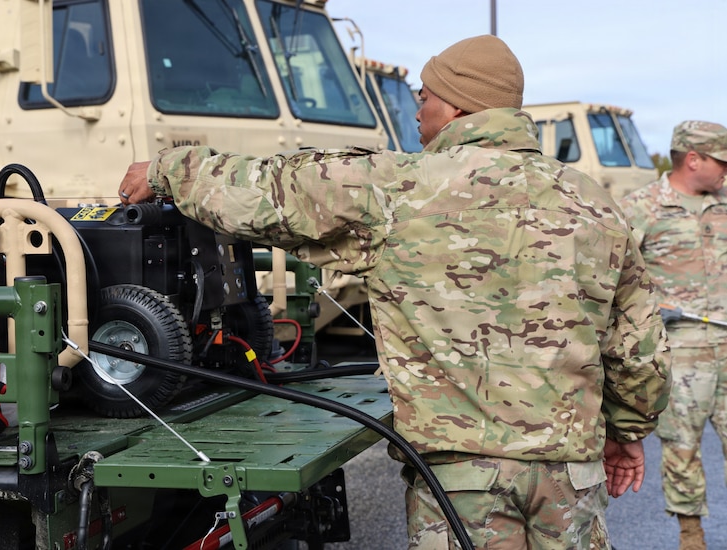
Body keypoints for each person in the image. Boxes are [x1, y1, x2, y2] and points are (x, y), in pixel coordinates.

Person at [119, 35, 671, 549]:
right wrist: (625, 432)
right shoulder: (594, 202)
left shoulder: (399, 189)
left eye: (426, 97)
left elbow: (270, 191)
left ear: (457, 106)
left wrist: (170, 169)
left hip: (459, 479)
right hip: (569, 477)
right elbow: (638, 349)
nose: (416, 110)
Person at [618, 120, 727, 550]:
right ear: (693, 159)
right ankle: (691, 536)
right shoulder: (640, 208)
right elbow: (618, 278)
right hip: (680, 352)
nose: (726, 171)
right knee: (682, 449)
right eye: (722, 161)